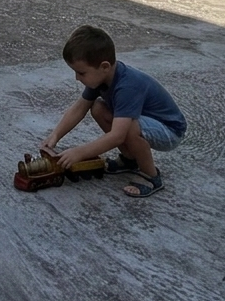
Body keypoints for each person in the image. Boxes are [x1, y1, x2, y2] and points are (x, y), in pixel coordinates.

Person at [40, 25, 187, 199]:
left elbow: (117, 135)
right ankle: (129, 160)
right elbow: (80, 108)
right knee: (98, 108)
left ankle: (152, 176)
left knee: (129, 127)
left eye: (81, 72)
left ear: (104, 66)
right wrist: (56, 135)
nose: (77, 78)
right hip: (146, 122)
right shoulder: (101, 78)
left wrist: (79, 152)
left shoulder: (127, 86)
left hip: (169, 130)